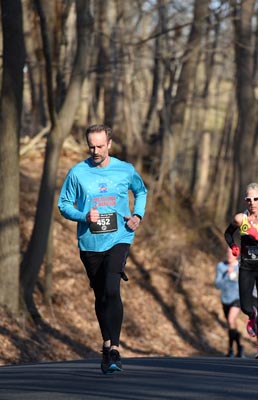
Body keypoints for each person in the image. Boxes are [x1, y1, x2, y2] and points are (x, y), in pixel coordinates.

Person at [58, 124, 147, 374]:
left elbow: (141, 191)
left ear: (109, 144)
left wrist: (137, 215)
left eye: (100, 146)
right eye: (91, 146)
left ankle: (116, 349)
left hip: (120, 237)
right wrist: (84, 215)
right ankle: (106, 345)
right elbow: (63, 205)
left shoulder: (125, 170)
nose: (95, 150)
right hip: (90, 243)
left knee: (111, 287)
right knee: (100, 296)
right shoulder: (77, 173)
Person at [224, 182, 258, 360]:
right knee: (247, 306)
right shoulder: (241, 219)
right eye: (248, 199)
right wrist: (233, 246)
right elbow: (228, 233)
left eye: (255, 199)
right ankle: (251, 315)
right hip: (246, 267)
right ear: (245, 201)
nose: (252, 202)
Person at [215, 247, 244, 358]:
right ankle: (239, 346)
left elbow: (243, 282)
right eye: (227, 253)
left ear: (237, 254)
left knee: (232, 320)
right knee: (231, 324)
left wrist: (234, 275)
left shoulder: (241, 266)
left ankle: (230, 349)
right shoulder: (221, 266)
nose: (229, 255)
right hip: (225, 299)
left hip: (237, 298)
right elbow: (217, 285)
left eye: (232, 253)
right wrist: (226, 275)